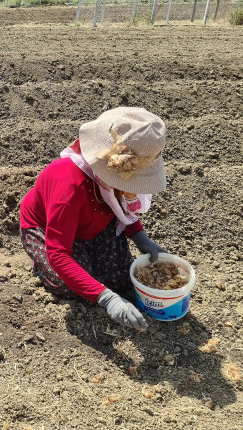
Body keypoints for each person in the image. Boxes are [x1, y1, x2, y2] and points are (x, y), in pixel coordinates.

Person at [20, 107, 168, 331]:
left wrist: (140, 237)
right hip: (47, 228)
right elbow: (59, 254)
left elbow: (121, 205)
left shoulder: (110, 182)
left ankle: (89, 259)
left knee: (121, 278)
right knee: (68, 286)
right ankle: (40, 265)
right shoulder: (68, 185)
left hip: (93, 221)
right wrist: (108, 300)